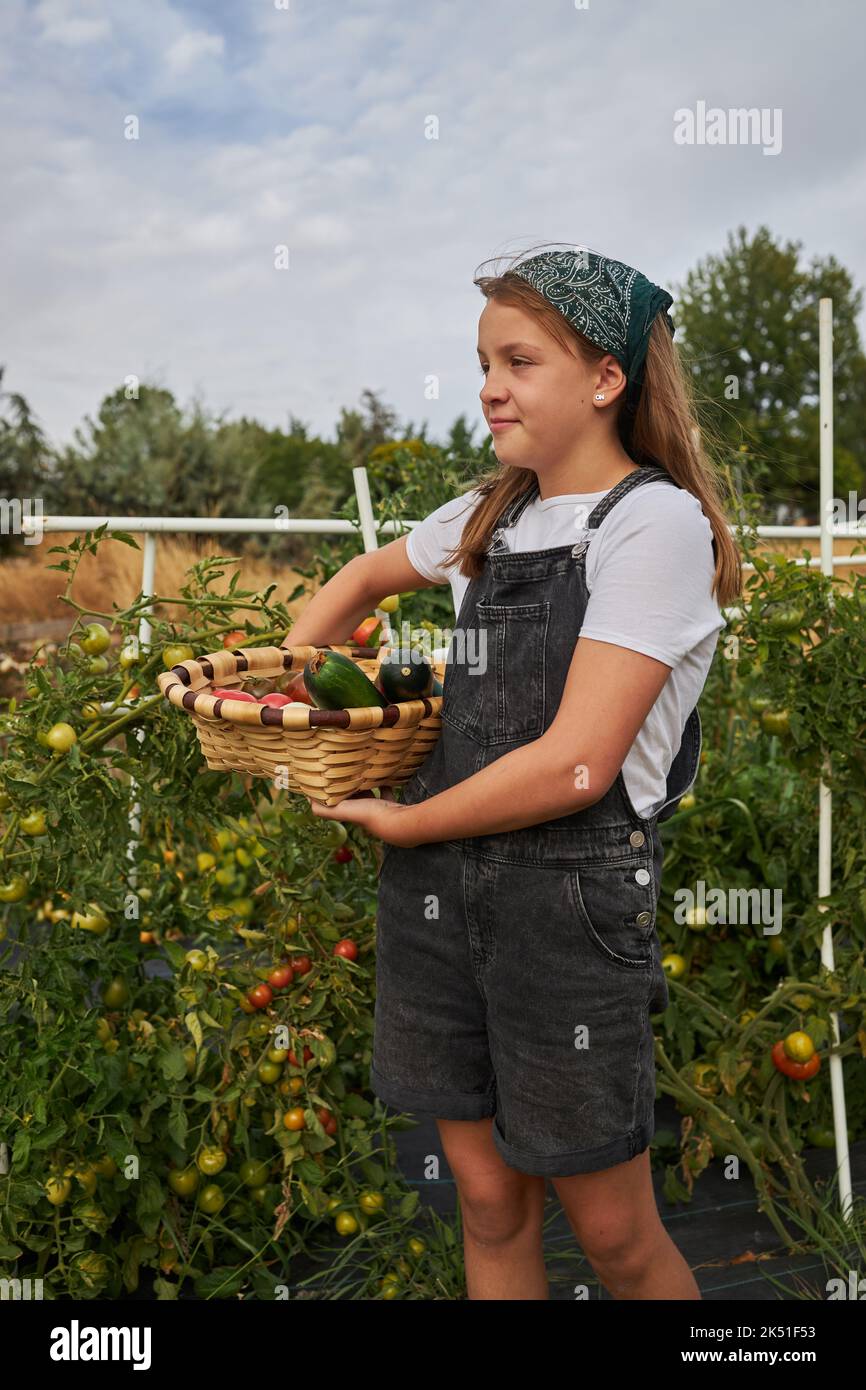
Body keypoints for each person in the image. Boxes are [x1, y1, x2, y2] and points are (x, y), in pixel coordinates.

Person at [285, 243, 743, 1300]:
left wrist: (405, 822)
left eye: (518, 360)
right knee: (487, 1200)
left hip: (564, 905)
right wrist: (288, 699)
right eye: (482, 360)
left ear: (604, 378)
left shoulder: (650, 523)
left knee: (614, 1233)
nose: (487, 386)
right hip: (439, 901)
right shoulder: (488, 515)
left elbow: (578, 762)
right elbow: (359, 576)